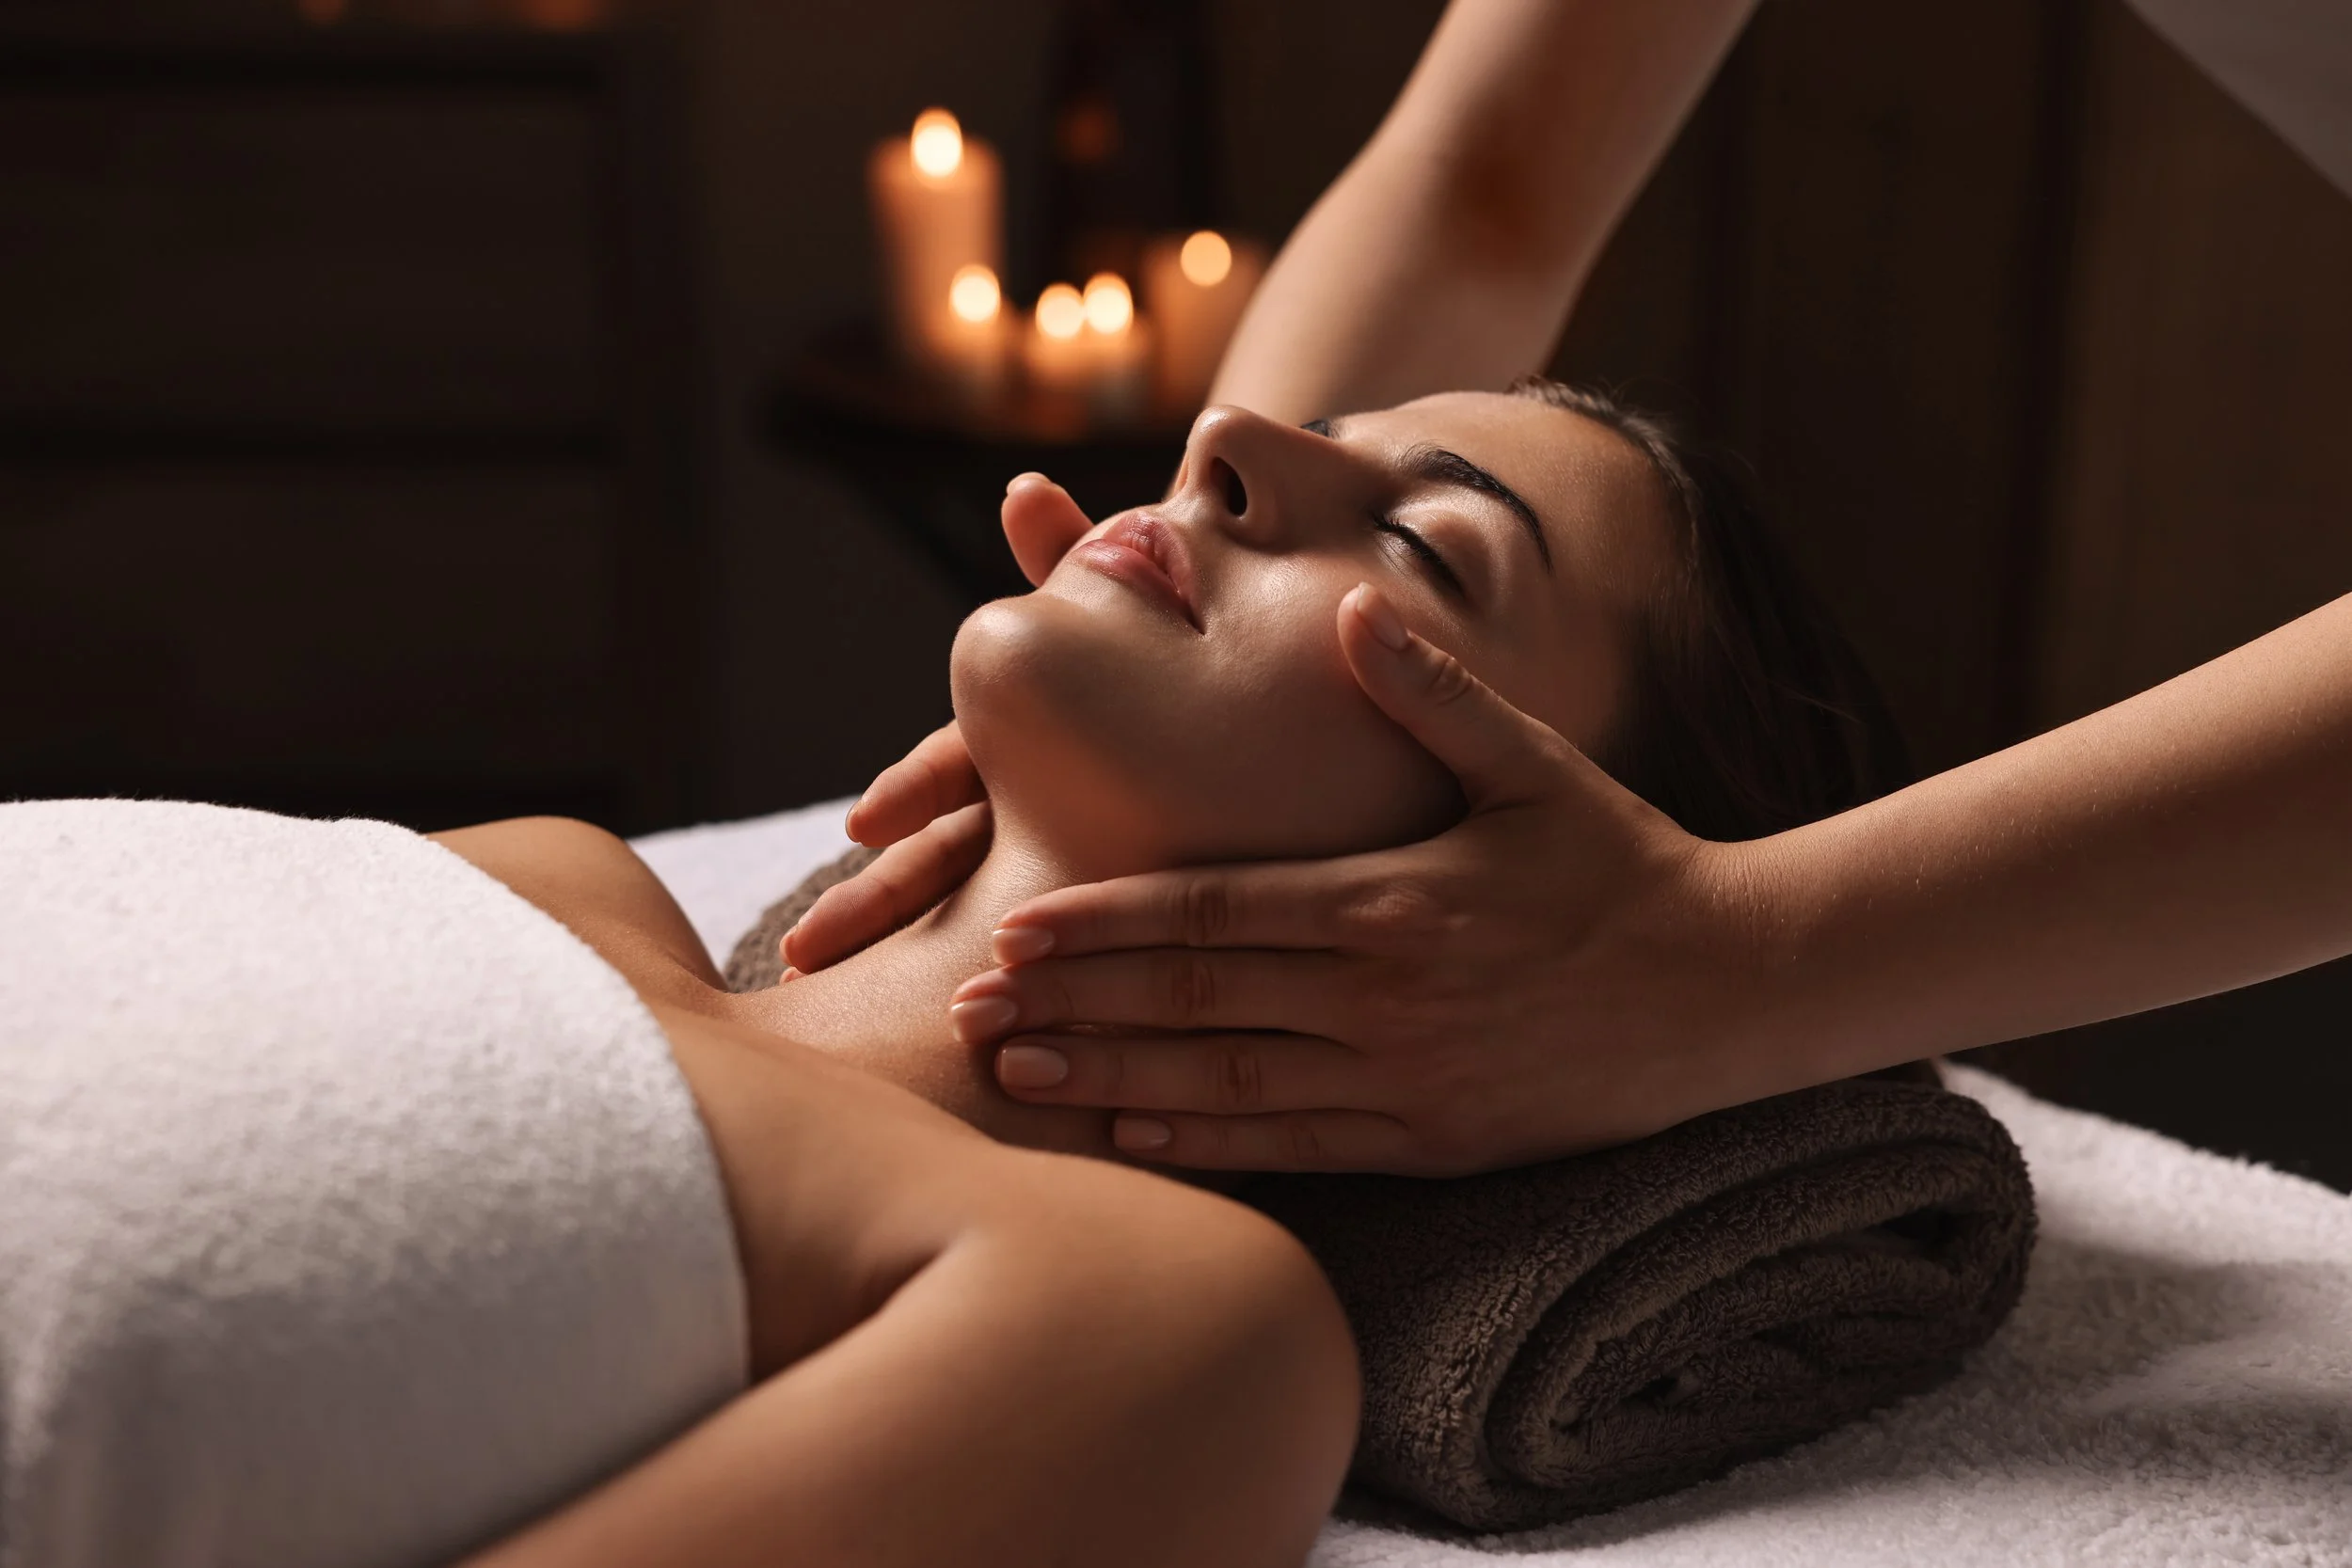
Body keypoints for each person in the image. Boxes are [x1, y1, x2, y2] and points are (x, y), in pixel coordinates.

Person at [794, 0, 2352, 1177]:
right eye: (1324, 442)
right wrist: (1163, 642)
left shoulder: (1195, 1346)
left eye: (1428, 555)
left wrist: (1730, 966)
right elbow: (1497, 177)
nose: (1220, 439)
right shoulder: (638, 927)